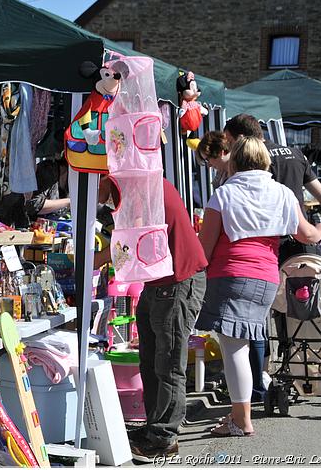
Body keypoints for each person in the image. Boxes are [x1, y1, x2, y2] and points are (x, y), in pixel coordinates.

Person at [195, 136, 321, 437]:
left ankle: (240, 419)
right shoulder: (282, 192)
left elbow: (204, 249)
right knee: (246, 343)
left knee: (234, 349)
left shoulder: (223, 195)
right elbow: (307, 234)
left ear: (237, 160)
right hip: (267, 276)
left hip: (230, 274)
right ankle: (239, 416)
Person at [97, 175, 208, 463]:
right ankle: (154, 428)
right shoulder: (137, 190)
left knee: (168, 362)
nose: (95, 196)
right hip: (159, 283)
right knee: (149, 358)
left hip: (177, 281)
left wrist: (90, 261)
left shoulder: (141, 191)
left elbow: (126, 246)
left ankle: (163, 436)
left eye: (96, 185)